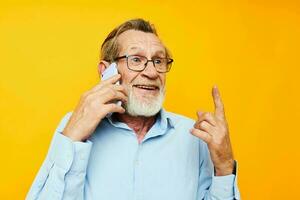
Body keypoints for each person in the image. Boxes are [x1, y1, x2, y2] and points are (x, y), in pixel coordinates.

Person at [26, 18, 240, 200]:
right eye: (136, 60)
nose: (152, 72)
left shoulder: (196, 136)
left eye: (158, 61)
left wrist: (224, 166)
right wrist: (72, 138)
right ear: (107, 71)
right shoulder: (73, 126)